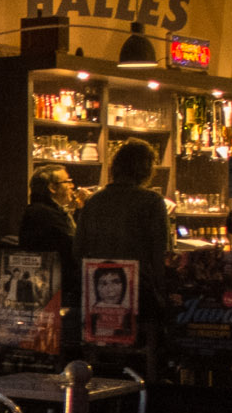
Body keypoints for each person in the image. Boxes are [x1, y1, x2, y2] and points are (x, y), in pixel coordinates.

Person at [75, 138, 173, 377]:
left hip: (96, 296)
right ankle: (148, 389)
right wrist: (164, 295)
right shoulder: (151, 202)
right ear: (146, 169)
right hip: (139, 294)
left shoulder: (94, 202)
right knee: (164, 332)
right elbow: (160, 254)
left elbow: (77, 251)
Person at [20, 165, 85, 340]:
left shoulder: (44, 211)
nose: (72, 186)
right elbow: (73, 246)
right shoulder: (43, 214)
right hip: (56, 289)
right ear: (52, 187)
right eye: (67, 182)